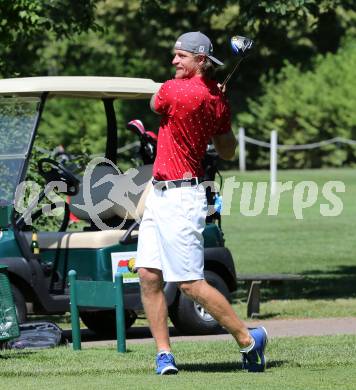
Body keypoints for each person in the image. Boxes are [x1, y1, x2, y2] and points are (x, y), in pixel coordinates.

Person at [135, 31, 267, 375]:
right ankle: (164, 355)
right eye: (174, 55)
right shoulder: (214, 98)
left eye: (181, 56)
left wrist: (207, 98)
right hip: (161, 193)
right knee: (148, 275)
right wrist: (215, 104)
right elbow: (226, 150)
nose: (174, 61)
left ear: (201, 60)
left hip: (181, 197)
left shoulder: (174, 90)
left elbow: (153, 105)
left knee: (189, 284)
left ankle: (249, 339)